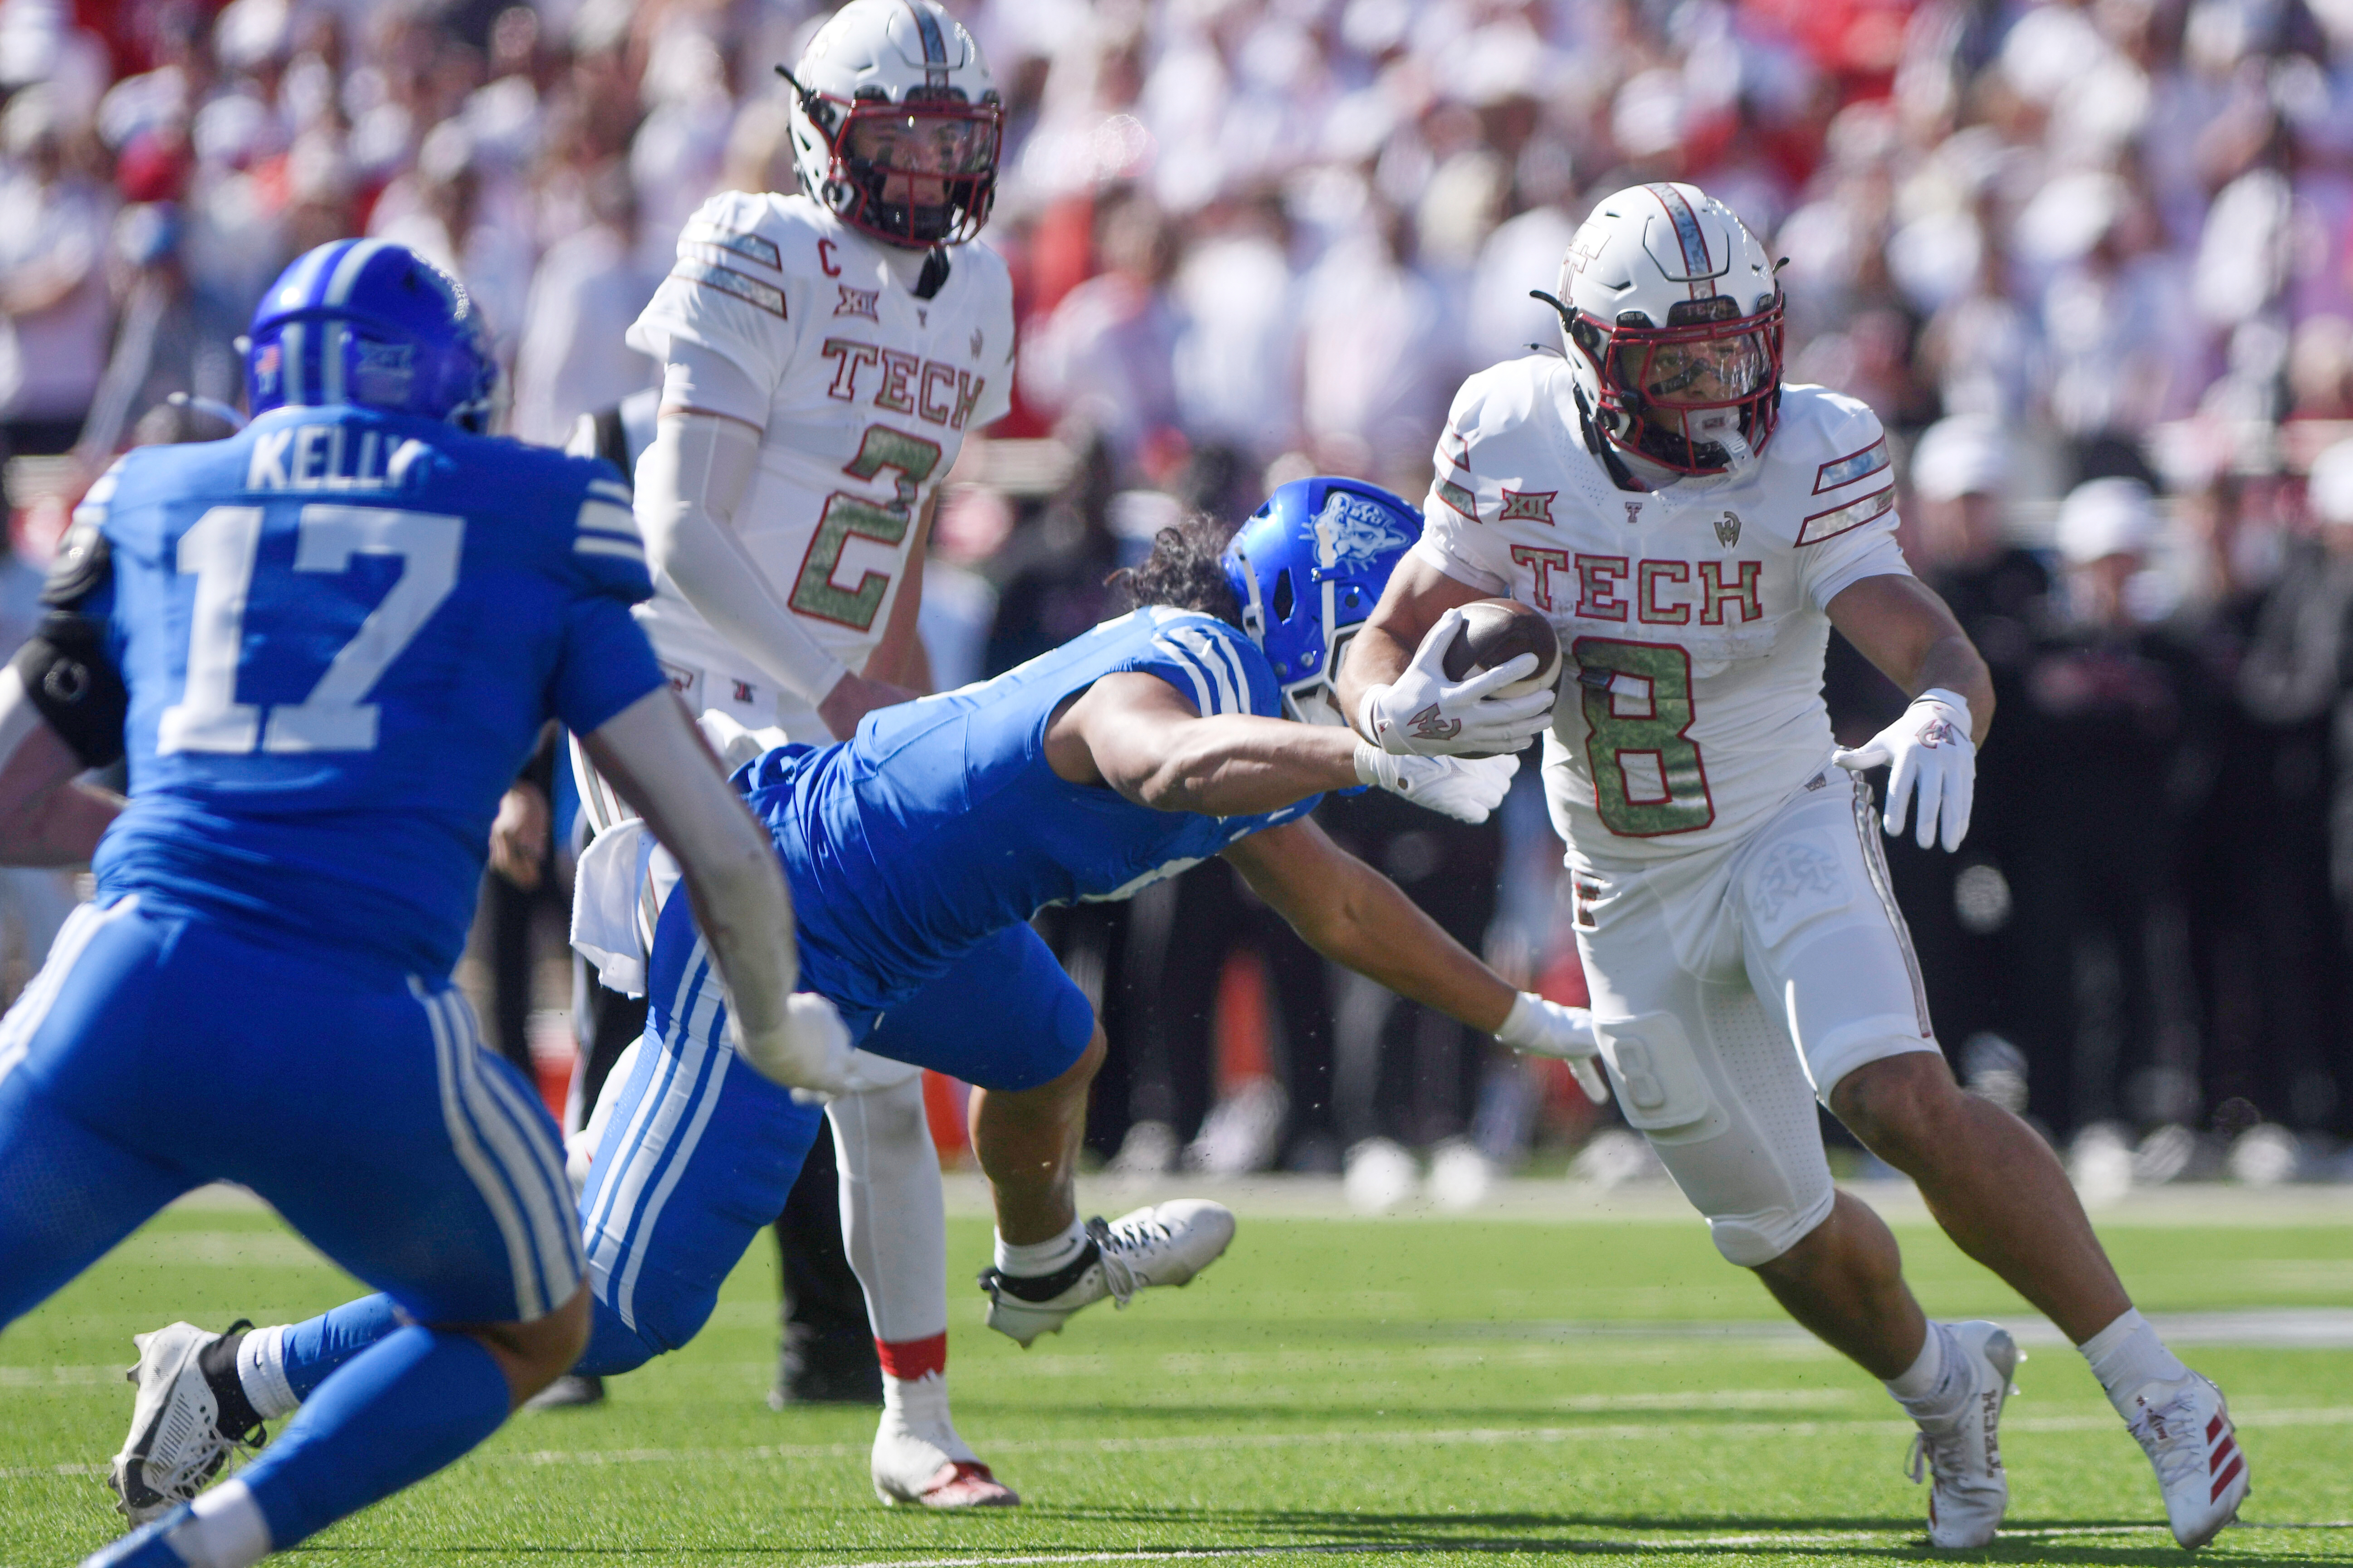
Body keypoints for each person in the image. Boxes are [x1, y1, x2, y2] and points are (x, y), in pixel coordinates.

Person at [110, 476, 1602, 1522]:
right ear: (1310, 605)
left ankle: (1040, 1270)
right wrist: (1366, 749)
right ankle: (236, 1368)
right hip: (783, 913)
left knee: (1048, 1045)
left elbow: (1345, 905)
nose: (1399, 667)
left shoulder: (1252, 729)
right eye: (1390, 633)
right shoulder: (1192, 662)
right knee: (613, 1312)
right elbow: (1156, 761)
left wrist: (1536, 1024)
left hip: (901, 921)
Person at [1333, 182, 2249, 1552]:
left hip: (1781, 822)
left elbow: (1927, 640)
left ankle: (2158, 1391)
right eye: (1679, 363)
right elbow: (1386, 629)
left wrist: (1945, 705)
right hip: (1621, 881)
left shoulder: (1813, 444)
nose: (1721, 390)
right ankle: (1947, 1390)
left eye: (1740, 349)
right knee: (1776, 1234)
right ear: (1590, 355)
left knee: (1890, 1090)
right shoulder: (1506, 427)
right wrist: (1380, 709)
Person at [0, 238, 849, 1568]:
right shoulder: (539, 508)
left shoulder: (156, 492)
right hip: (358, 1027)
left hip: (129, 990)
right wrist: (775, 1023)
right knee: (535, 1324)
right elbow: (722, 848)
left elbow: (8, 799)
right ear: (455, 387)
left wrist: (187, 848)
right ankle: (186, 1555)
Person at [567, 0, 1024, 1505]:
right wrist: (829, 697)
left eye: (952, 142)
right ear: (827, 134)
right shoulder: (756, 249)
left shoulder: (979, 292)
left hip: (813, 695)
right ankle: (441, 1311)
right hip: (687, 689)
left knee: (875, 1073)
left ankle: (912, 1414)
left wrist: (889, 707)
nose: (927, 172)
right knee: (722, 1100)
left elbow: (882, 552)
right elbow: (678, 533)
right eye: (898, 139)